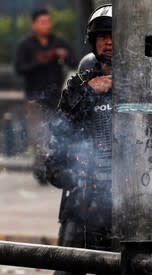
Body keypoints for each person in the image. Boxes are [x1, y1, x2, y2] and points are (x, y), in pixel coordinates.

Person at [45, 5, 152, 275]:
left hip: (138, 199)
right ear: (93, 41)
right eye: (102, 36)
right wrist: (89, 92)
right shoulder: (81, 82)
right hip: (84, 199)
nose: (109, 41)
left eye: (114, 34)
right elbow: (59, 133)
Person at [14, 8, 77, 184]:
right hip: (34, 99)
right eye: (42, 22)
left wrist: (63, 55)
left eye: (48, 22)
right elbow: (20, 69)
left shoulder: (58, 42)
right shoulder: (26, 45)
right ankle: (41, 172)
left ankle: (56, 169)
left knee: (57, 134)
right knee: (39, 135)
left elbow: (75, 61)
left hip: (56, 98)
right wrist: (41, 59)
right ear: (34, 25)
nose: (46, 25)